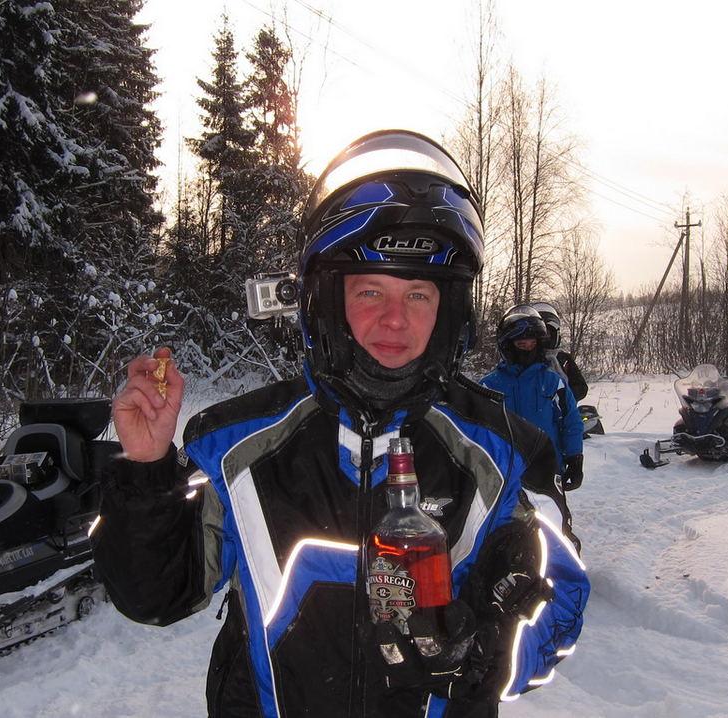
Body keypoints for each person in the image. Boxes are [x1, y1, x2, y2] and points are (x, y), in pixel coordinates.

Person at [90, 130, 589, 718]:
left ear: (449, 310)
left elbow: (558, 600)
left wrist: (487, 650)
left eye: (419, 295)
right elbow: (154, 596)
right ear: (324, 301)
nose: (395, 320)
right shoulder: (234, 446)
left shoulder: (504, 453)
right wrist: (147, 469)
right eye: (371, 291)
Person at [479, 305, 586, 492]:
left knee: (551, 512)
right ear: (508, 345)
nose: (528, 349)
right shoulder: (488, 386)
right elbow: (476, 430)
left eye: (532, 344)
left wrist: (574, 457)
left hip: (547, 469)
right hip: (503, 473)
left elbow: (571, 421)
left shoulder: (553, 382)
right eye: (522, 345)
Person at [531, 301, 588, 401]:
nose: (544, 337)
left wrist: (563, 395)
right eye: (541, 334)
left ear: (554, 335)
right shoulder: (525, 357)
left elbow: (581, 387)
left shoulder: (563, 359)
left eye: (547, 333)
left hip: (561, 408)